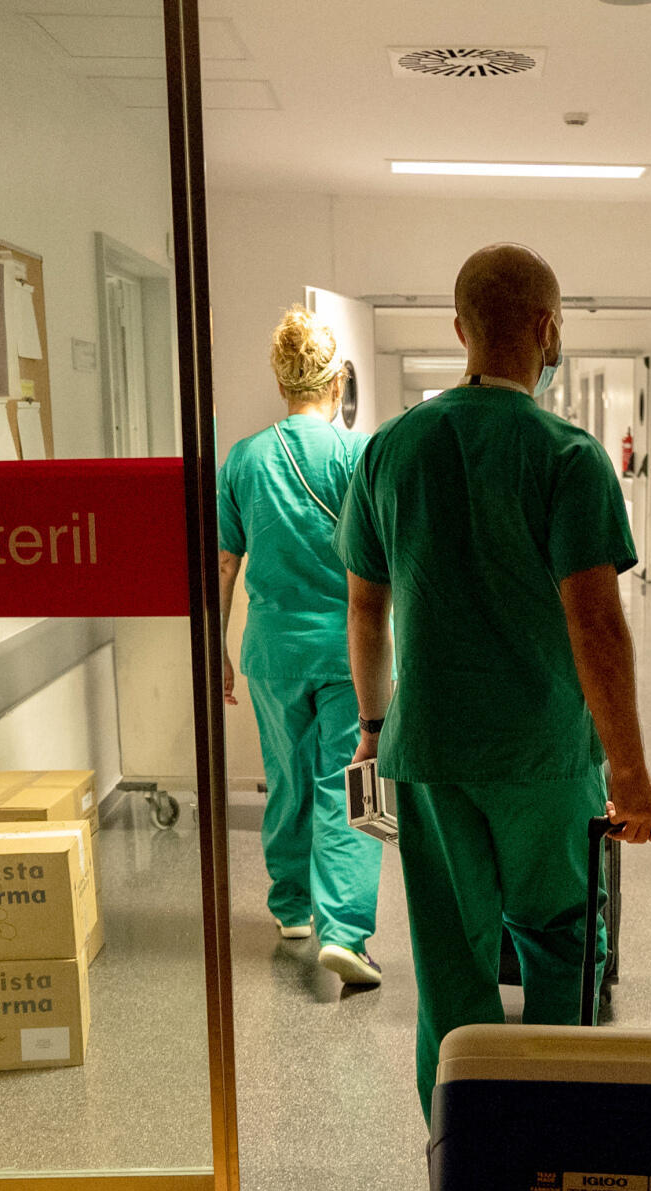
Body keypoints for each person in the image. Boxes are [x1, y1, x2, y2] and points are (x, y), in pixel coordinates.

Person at [341, 244, 651, 1115]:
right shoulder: (568, 455)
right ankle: (550, 1140)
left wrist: (374, 731)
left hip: (430, 749)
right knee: (563, 945)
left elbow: (366, 614)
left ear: (459, 330)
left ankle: (464, 1158)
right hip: (544, 754)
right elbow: (594, 622)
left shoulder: (388, 451)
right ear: (547, 329)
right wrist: (629, 775)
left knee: (452, 962)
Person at [217, 308, 383, 985]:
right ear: (338, 379)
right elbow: (383, 565)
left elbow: (225, 565)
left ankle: (291, 905)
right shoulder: (356, 454)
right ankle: (345, 930)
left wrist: (216, 651)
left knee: (286, 780)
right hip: (350, 652)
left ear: (281, 379)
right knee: (350, 780)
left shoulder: (245, 458)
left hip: (271, 653)